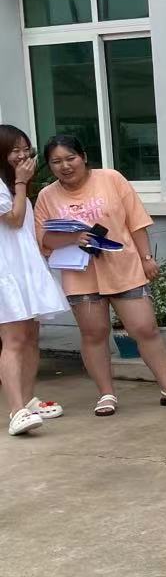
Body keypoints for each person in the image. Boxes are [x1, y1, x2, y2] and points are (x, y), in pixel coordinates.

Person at [35, 135, 166, 415]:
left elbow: (136, 221)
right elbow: (43, 239)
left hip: (123, 266)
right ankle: (106, 394)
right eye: (56, 162)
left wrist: (147, 258)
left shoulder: (111, 178)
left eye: (71, 158)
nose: (65, 166)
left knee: (145, 328)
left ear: (84, 157)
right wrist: (73, 238)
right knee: (94, 333)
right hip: (80, 274)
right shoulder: (46, 196)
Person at [0, 126, 69, 437]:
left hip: (25, 270)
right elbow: (14, 220)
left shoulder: (13, 185)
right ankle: (16, 411)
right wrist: (20, 182)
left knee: (30, 337)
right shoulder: (9, 185)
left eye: (25, 148)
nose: (22, 155)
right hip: (6, 274)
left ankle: (27, 400)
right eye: (14, 150)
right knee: (13, 340)